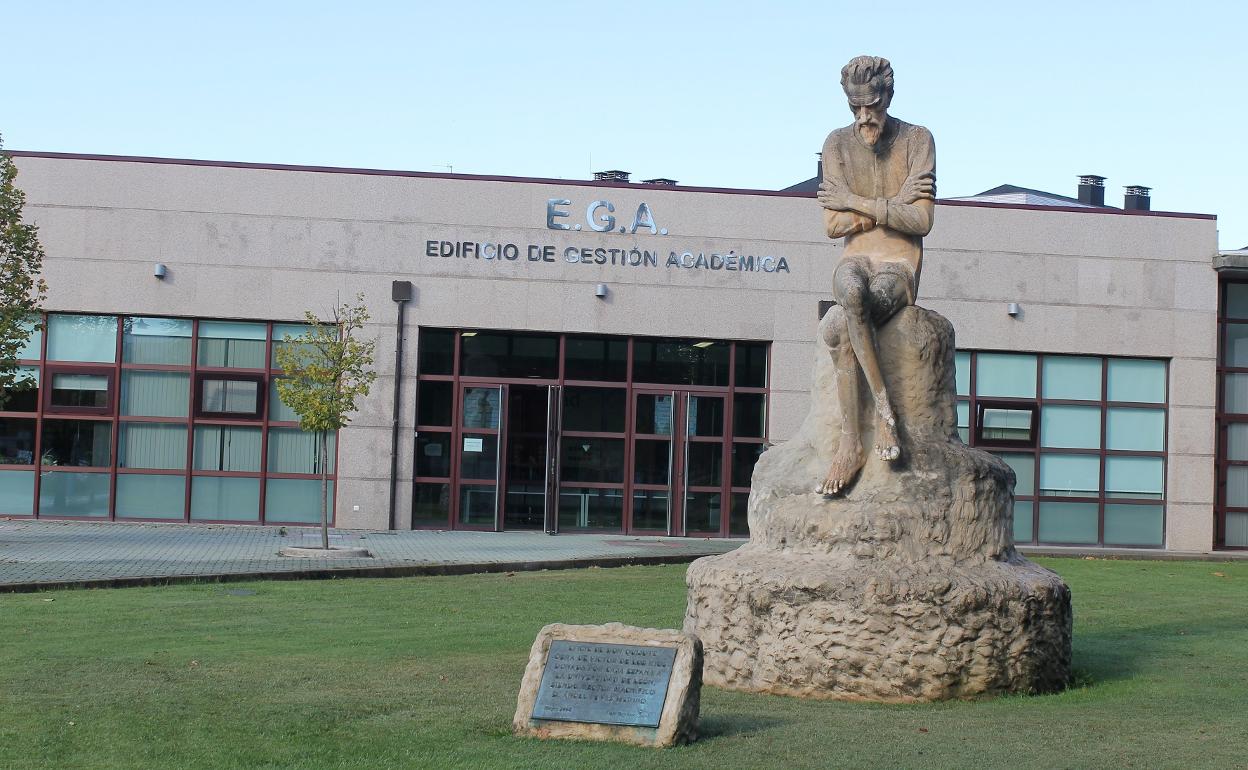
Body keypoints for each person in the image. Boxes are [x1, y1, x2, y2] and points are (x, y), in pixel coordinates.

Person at [815, 55, 936, 496]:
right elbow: (832, 227)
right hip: (857, 259)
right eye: (855, 108)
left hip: (900, 265)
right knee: (850, 291)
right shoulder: (836, 145)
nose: (864, 117)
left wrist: (855, 200)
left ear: (887, 96)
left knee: (842, 325)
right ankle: (881, 421)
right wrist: (890, 205)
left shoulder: (917, 140)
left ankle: (855, 441)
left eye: (871, 106)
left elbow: (921, 222)